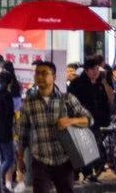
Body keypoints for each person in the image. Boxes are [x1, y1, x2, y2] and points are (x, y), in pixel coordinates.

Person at [14, 61, 93, 193]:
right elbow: (23, 133)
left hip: (64, 159)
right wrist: (20, 159)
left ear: (54, 77)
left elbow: (89, 120)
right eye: (37, 73)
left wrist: (70, 121)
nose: (39, 76)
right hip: (40, 160)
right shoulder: (29, 103)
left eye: (44, 73)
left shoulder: (67, 99)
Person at [0, 69, 21, 192]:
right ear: (10, 82)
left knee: (2, 158)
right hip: (5, 132)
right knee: (10, 158)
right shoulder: (7, 95)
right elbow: (9, 114)